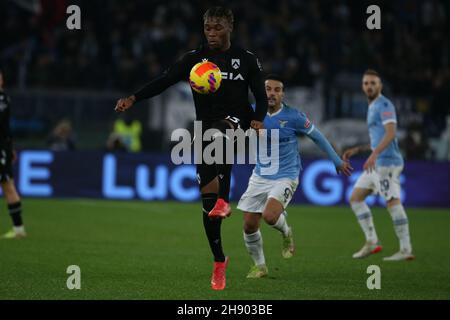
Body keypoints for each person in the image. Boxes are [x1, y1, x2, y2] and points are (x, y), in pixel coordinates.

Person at [114, 7, 268, 290]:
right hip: (205, 130)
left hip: (238, 121)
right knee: (207, 205)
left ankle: (224, 198)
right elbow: (163, 81)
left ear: (230, 27)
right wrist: (134, 98)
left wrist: (258, 119)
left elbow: (261, 96)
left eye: (217, 28)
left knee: (222, 134)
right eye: (207, 28)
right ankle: (219, 261)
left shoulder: (246, 60)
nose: (211, 33)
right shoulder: (195, 60)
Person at [238, 74, 353, 278]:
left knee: (270, 215)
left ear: (282, 94)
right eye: (268, 89)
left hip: (286, 175)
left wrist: (336, 160)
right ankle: (260, 266)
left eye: (276, 90)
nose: (272, 94)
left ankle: (286, 232)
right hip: (260, 175)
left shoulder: (293, 116)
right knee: (249, 224)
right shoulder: (251, 113)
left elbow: (317, 136)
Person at [343, 69, 414, 261]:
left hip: (387, 163)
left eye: (373, 83)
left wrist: (374, 154)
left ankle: (406, 249)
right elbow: (380, 138)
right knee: (356, 198)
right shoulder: (373, 106)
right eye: (366, 83)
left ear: (380, 85)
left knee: (392, 202)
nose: (369, 86)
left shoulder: (384, 104)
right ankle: (372, 241)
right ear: (362, 86)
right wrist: (359, 150)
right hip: (378, 162)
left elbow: (391, 133)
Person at [0, 69, 26, 239]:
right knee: (8, 185)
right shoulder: (5, 98)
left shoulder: (2, 98)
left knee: (8, 186)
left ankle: (18, 229)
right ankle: (18, 229)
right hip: (4, 147)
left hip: (1, 148)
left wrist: (9, 149)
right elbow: (6, 128)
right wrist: (11, 148)